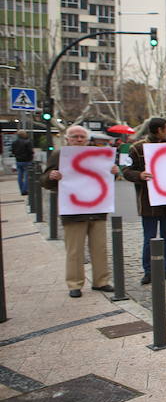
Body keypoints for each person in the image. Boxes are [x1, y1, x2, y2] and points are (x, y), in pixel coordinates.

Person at [41, 125, 118, 297]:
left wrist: (113, 171)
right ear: (67, 138)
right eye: (75, 136)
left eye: (82, 137)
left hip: (98, 209)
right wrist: (52, 177)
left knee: (100, 248)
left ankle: (101, 281)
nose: (79, 139)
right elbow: (44, 180)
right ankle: (74, 284)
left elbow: (106, 175)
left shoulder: (98, 155)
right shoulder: (60, 155)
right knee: (75, 250)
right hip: (73, 211)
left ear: (87, 139)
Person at [123, 117, 166, 285]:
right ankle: (149, 270)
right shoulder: (137, 148)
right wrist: (139, 175)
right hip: (149, 201)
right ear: (158, 130)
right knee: (149, 237)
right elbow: (126, 171)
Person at [11, 130, 34, 196]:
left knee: (20, 176)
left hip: (18, 160)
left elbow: (13, 152)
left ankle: (22, 189)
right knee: (27, 176)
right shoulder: (27, 142)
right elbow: (30, 151)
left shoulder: (14, 143)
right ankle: (25, 190)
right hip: (27, 160)